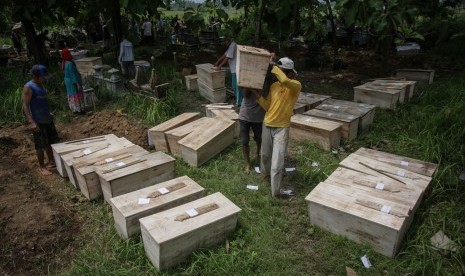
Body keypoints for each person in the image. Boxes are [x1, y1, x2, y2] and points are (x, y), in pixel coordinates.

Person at [252, 57, 302, 197]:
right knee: (265, 155)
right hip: (267, 124)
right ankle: (264, 176)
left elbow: (285, 81)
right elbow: (268, 106)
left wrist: (274, 66)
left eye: (282, 71)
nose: (277, 74)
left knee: (277, 163)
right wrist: (257, 95)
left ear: (290, 73)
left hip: (282, 127)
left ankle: (276, 192)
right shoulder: (274, 86)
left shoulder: (295, 85)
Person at [22, 65, 59, 176]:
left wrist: (49, 113)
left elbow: (41, 102)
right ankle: (41, 167)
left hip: (46, 118)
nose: (45, 79)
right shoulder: (29, 87)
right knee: (40, 145)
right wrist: (31, 122)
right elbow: (25, 105)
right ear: (36, 77)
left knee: (51, 141)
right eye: (43, 77)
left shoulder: (41, 85)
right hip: (37, 121)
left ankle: (52, 161)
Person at [213, 38, 242, 106]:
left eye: (225, 42)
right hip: (234, 69)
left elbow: (228, 57)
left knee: (236, 87)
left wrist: (219, 66)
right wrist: (217, 62)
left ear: (229, 40)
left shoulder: (233, 45)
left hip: (236, 69)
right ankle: (239, 100)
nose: (225, 43)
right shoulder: (231, 46)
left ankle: (239, 103)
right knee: (234, 86)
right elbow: (225, 55)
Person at [61, 48, 85, 114]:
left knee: (71, 94)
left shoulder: (64, 62)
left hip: (67, 81)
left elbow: (65, 73)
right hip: (72, 81)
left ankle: (74, 109)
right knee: (76, 93)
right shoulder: (69, 63)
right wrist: (77, 84)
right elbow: (72, 74)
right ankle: (79, 110)